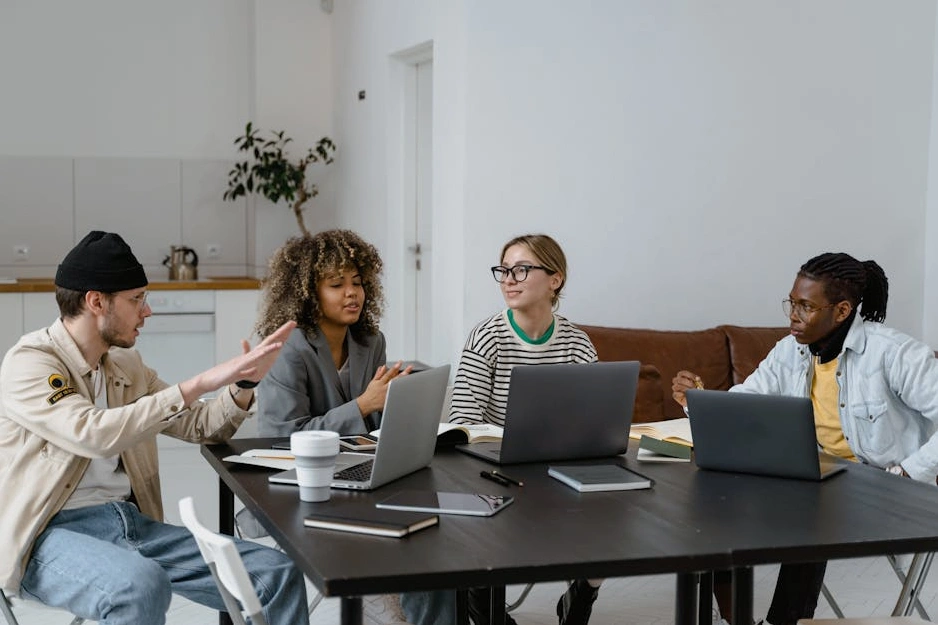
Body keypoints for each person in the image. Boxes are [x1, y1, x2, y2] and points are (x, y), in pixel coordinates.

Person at [0, 231, 306, 625]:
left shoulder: (125, 367)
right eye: (136, 299)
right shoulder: (30, 364)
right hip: (48, 537)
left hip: (130, 523)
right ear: (96, 302)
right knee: (140, 586)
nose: (147, 311)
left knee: (276, 573)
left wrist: (243, 385)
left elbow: (199, 425)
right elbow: (92, 433)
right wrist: (198, 384)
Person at [672, 252, 938, 625]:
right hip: (823, 477)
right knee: (718, 501)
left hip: (890, 489)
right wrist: (697, 403)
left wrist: (909, 474)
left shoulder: (895, 353)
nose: (793, 316)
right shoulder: (791, 350)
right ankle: (736, 618)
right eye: (792, 303)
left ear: (842, 310)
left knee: (813, 516)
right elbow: (748, 400)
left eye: (806, 306)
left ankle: (782, 621)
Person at [252, 230, 451, 625]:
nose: (352, 293)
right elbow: (281, 437)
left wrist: (399, 406)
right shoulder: (287, 348)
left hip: (360, 476)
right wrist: (364, 405)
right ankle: (383, 597)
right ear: (309, 293)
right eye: (337, 284)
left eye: (358, 283)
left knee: (438, 545)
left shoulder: (369, 340)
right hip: (301, 488)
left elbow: (373, 421)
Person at [449, 234, 600, 625]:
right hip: (492, 470)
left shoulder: (578, 345)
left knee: (610, 511)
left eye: (521, 269)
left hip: (557, 470)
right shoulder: (487, 337)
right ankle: (490, 615)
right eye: (503, 270)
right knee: (472, 516)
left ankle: (580, 599)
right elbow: (463, 424)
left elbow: (593, 423)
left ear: (555, 280)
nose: (508, 279)